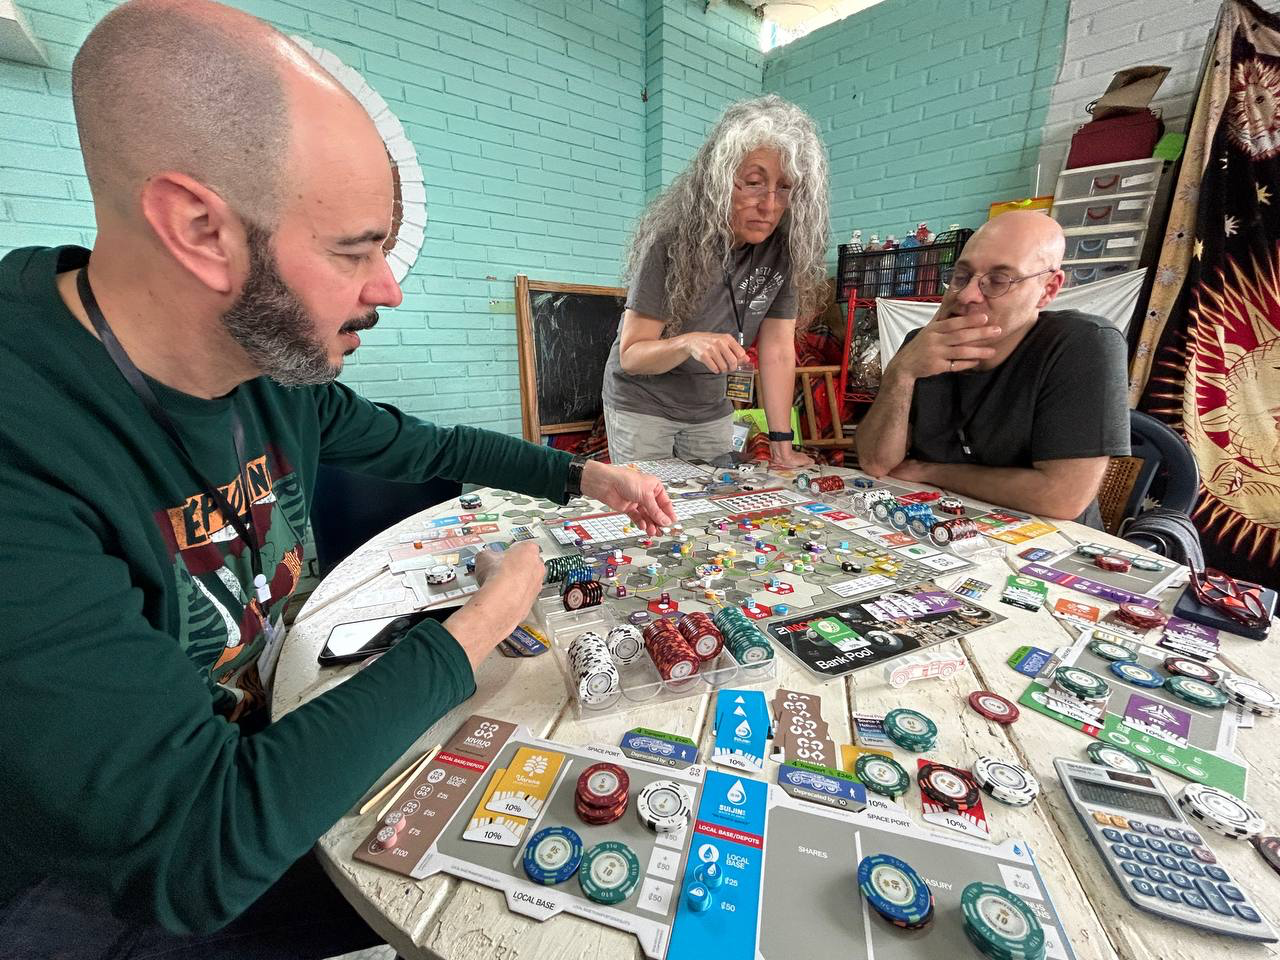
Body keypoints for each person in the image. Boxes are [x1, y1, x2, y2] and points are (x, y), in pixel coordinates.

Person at [0, 3, 674, 958]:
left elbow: (426, 447)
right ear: (199, 228)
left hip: (265, 751)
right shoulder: (25, 445)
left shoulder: (262, 374)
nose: (388, 287)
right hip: (102, 890)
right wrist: (480, 621)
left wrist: (581, 475)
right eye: (356, 249)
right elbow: (197, 848)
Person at [855, 210, 1130, 524]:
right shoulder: (922, 346)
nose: (967, 295)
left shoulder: (1084, 343)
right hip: (936, 524)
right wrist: (901, 374)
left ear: (1048, 289)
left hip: (1046, 540)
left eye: (998, 281)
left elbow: (1061, 497)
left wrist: (931, 471)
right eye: (961, 277)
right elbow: (876, 463)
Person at [601, 95, 830, 468]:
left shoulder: (784, 251)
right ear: (720, 180)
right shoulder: (671, 240)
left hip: (709, 407)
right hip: (643, 404)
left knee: (720, 500)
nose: (770, 205)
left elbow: (777, 351)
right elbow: (632, 355)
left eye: (785, 188)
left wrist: (781, 445)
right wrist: (688, 342)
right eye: (753, 183)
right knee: (649, 501)